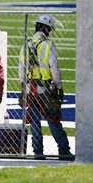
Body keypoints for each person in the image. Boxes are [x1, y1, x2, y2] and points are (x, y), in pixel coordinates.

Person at [19, 14, 74, 161]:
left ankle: (38, 152)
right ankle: (63, 151)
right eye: (49, 29)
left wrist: (23, 88)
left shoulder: (26, 44)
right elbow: (54, 68)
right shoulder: (48, 44)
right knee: (53, 120)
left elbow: (21, 70)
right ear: (44, 28)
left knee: (35, 122)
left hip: (31, 89)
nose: (50, 32)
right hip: (47, 90)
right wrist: (58, 86)